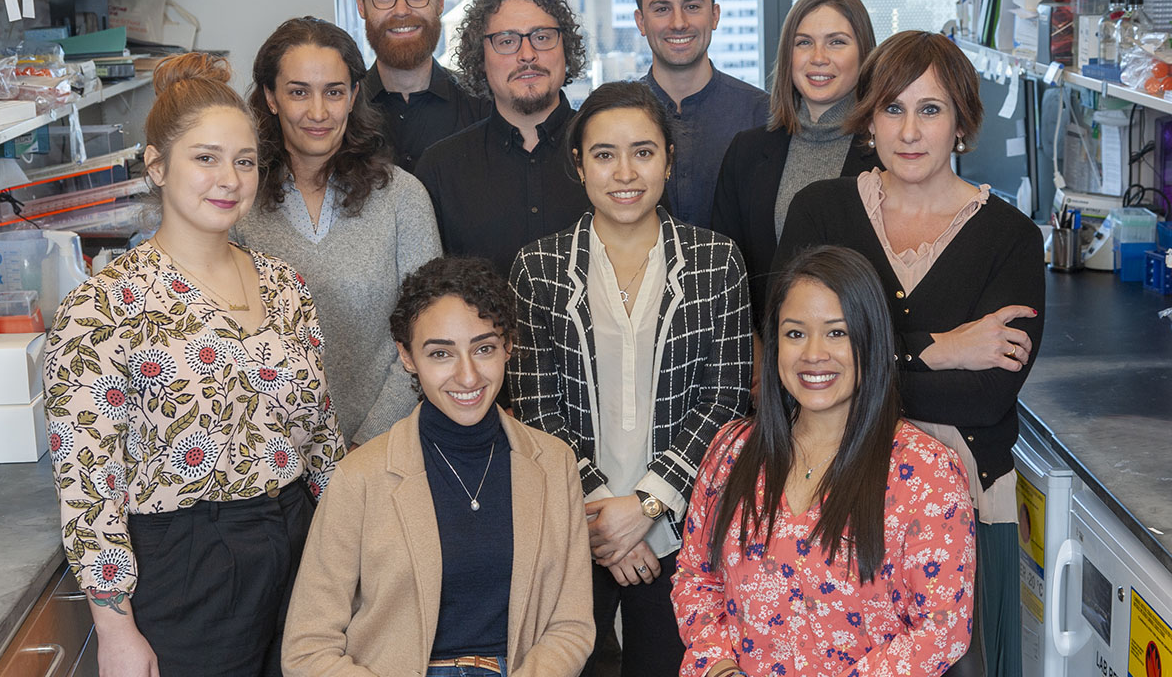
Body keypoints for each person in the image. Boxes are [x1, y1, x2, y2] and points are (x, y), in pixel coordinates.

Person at [43, 53, 345, 677]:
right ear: (157, 166)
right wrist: (116, 630)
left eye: (245, 161)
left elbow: (321, 439)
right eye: (206, 158)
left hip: (298, 543)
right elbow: (88, 485)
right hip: (186, 564)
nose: (229, 179)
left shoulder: (285, 285)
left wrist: (353, 552)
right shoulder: (103, 307)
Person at [774, 30, 1046, 677]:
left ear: (962, 123)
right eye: (893, 108)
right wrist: (940, 350)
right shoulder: (821, 212)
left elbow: (985, 398)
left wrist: (861, 362)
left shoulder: (1010, 237)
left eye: (931, 109)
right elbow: (797, 360)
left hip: (966, 505)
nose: (910, 131)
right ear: (869, 119)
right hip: (823, 497)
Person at [509, 81, 752, 677]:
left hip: (686, 528)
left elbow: (724, 399)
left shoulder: (717, 262)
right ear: (579, 164)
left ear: (668, 160)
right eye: (604, 154)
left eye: (643, 152)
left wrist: (646, 505)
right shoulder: (537, 268)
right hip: (572, 530)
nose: (625, 172)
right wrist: (604, 516)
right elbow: (537, 407)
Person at [282, 256, 594, 677]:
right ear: (407, 356)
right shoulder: (360, 476)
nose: (467, 377)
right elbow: (307, 649)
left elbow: (571, 625)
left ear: (509, 346)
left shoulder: (555, 463)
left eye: (484, 348)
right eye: (441, 354)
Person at [673, 245, 976, 676]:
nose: (814, 353)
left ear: (870, 340)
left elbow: (941, 629)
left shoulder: (926, 473)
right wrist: (720, 668)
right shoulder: (731, 451)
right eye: (795, 334)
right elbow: (697, 578)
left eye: (837, 333)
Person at [235, 16, 441, 445]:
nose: (318, 112)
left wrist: (365, 448)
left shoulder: (403, 197)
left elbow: (430, 336)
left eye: (333, 92)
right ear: (271, 97)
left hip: (387, 448)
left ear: (353, 97)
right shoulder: (237, 203)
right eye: (298, 92)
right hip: (270, 457)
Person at [712, 0, 881, 329]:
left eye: (836, 42)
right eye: (803, 42)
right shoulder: (746, 152)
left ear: (865, 54)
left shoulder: (888, 157)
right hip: (766, 348)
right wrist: (755, 347)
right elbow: (724, 273)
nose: (818, 57)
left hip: (863, 346)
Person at [415, 0, 590, 277]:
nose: (527, 55)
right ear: (480, 58)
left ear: (566, 48)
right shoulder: (441, 169)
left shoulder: (612, 154)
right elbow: (430, 291)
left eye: (542, 37)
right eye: (507, 41)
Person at [632, 0, 769, 228]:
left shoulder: (764, 116)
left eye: (692, 7)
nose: (678, 23)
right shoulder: (613, 117)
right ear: (641, 21)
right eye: (662, 9)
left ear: (715, 15)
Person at [356, 0, 491, 172]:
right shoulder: (342, 113)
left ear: (440, 1)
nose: (401, 10)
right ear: (362, 6)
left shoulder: (484, 108)